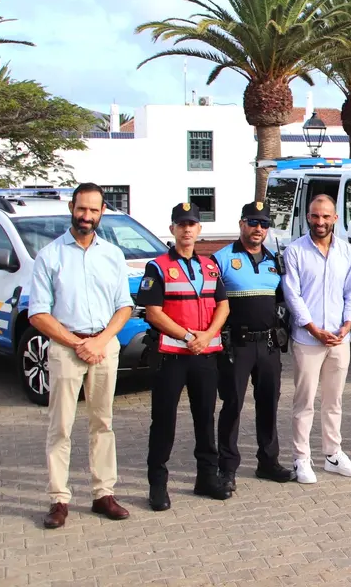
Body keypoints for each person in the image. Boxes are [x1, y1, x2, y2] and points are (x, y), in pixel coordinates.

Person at [30, 183, 133, 529]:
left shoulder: (113, 255)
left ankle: (103, 493)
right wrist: (77, 343)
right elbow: (38, 314)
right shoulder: (50, 255)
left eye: (94, 210)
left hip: (104, 346)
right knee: (60, 426)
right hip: (65, 348)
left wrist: (100, 340)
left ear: (102, 212)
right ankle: (58, 499)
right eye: (81, 209)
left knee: (102, 423)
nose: (86, 216)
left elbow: (124, 306)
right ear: (71, 208)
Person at [138, 202, 232, 510]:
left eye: (192, 224)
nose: (187, 229)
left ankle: (206, 477)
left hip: (205, 355)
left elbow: (223, 306)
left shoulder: (210, 266)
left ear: (199, 230)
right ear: (172, 230)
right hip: (171, 357)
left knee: (205, 419)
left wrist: (205, 337)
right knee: (163, 421)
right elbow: (153, 312)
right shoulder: (158, 267)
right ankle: (157, 485)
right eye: (182, 224)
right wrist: (188, 336)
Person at [212, 202, 294, 491]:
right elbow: (210, 304)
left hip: (269, 344)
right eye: (252, 222)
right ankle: (227, 468)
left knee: (269, 405)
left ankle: (268, 462)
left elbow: (285, 300)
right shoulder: (220, 259)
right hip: (237, 345)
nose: (258, 229)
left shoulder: (275, 260)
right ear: (241, 224)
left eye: (263, 224)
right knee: (232, 405)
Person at [282, 194, 351, 482]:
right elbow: (293, 295)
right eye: (315, 216)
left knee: (334, 400)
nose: (320, 222)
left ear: (335, 218)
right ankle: (302, 459)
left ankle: (332, 454)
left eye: (326, 216)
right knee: (304, 401)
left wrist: (348, 324)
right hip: (308, 340)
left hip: (340, 339)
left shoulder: (347, 252)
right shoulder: (295, 251)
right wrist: (313, 328)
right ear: (308, 217)